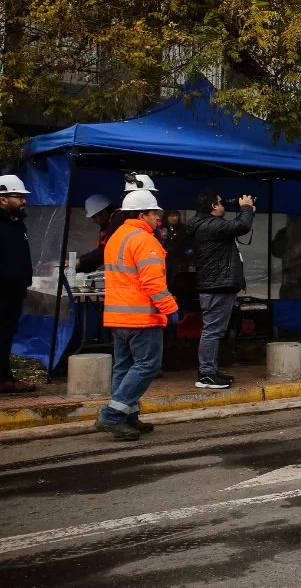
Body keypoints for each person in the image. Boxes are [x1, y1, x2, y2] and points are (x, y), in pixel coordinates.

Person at [95, 189, 178, 440]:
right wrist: (171, 309)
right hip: (141, 317)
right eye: (154, 214)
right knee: (147, 366)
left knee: (124, 366)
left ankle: (127, 415)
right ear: (143, 215)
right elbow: (152, 282)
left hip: (117, 316)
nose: (158, 219)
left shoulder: (116, 237)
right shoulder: (145, 240)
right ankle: (112, 414)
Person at [187, 190, 254, 389]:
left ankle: (210, 370)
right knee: (212, 331)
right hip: (217, 285)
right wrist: (246, 208)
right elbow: (241, 225)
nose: (223, 205)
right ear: (214, 207)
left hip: (216, 284)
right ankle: (206, 373)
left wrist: (247, 211)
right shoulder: (210, 225)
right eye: (220, 202)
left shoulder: (205, 224)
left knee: (215, 330)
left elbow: (236, 226)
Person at [76, 173, 159, 274]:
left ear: (104, 212)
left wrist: (80, 262)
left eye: (95, 217)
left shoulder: (119, 223)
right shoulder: (120, 223)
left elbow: (104, 251)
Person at [0, 175, 36, 394]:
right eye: (18, 196)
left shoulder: (18, 224)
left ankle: (5, 378)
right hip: (1, 291)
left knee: (6, 335)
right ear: (3, 199)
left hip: (14, 291)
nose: (23, 201)